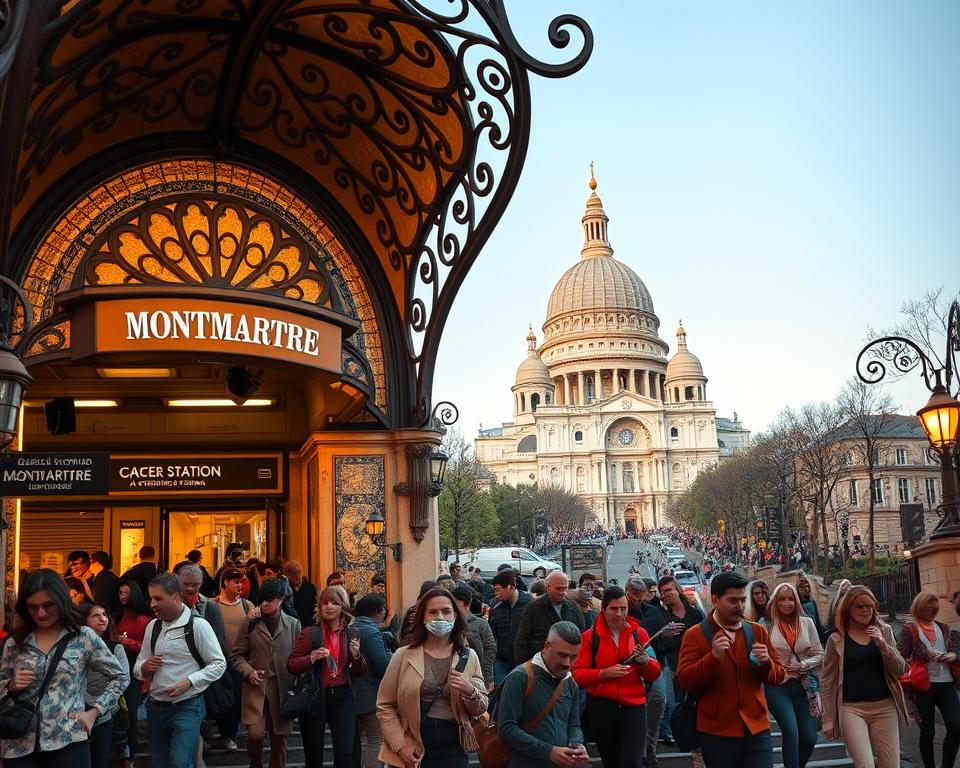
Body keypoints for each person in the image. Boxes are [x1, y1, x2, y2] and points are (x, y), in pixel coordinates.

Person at [0, 569, 125, 767]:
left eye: (48, 605)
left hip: (68, 741)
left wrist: (94, 712)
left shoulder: (83, 637)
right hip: (18, 744)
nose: (41, 613)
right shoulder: (15, 642)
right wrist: (11, 685)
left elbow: (119, 677)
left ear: (61, 601)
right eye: (33, 607)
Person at [676, 571, 785, 768]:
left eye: (743, 600)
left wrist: (766, 662)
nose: (740, 606)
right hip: (716, 732)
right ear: (715, 600)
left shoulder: (757, 631)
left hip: (757, 729)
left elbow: (779, 676)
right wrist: (712, 658)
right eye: (733, 601)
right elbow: (684, 681)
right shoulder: (695, 635)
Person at [376, 587, 487, 768]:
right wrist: (400, 746)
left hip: (454, 745)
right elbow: (385, 705)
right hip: (413, 743)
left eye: (446, 611)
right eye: (433, 612)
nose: (440, 617)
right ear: (423, 617)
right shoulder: (403, 655)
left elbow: (481, 707)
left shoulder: (468, 656)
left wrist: (469, 690)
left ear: (455, 616)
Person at [134, 572, 227, 768]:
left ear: (176, 597)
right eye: (151, 598)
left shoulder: (198, 626)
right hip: (155, 708)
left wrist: (189, 681)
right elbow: (138, 665)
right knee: (160, 764)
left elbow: (219, 664)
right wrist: (144, 666)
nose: (152, 604)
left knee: (180, 762)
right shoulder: (153, 627)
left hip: (187, 707)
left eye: (158, 598)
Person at [572, 586, 661, 767]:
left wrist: (646, 662)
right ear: (603, 608)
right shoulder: (589, 638)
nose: (619, 613)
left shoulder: (639, 634)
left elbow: (654, 673)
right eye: (614, 608)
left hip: (634, 707)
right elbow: (577, 674)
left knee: (632, 762)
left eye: (623, 608)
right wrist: (603, 674)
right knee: (611, 761)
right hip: (602, 707)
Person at [821, 585, 907, 768]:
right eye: (859, 606)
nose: (865, 610)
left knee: (891, 764)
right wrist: (828, 718)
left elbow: (900, 670)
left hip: (885, 707)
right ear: (848, 608)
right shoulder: (836, 639)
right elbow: (828, 680)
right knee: (865, 764)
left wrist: (883, 645)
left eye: (869, 606)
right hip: (851, 708)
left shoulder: (884, 631)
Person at [287, 586, 366, 768]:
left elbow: (360, 671)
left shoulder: (352, 633)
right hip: (315, 696)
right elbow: (291, 665)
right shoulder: (310, 633)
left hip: (342, 695)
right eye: (325, 603)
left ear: (342, 607)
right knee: (314, 754)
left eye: (334, 603)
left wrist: (357, 657)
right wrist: (311, 657)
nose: (329, 606)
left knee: (345, 752)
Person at [230, 576, 301, 768]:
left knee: (280, 740)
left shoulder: (293, 624)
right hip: (256, 689)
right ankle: (256, 763)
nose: (264, 604)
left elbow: (298, 657)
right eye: (262, 600)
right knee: (255, 735)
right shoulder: (251, 622)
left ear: (281, 599)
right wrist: (248, 671)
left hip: (282, 691)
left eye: (269, 600)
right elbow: (236, 655)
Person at [497, 621, 586, 768]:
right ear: (546, 646)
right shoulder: (520, 677)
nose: (567, 663)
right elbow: (507, 729)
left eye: (573, 657)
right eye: (562, 655)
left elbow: (574, 724)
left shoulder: (570, 683)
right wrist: (549, 752)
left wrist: (576, 745)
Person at [763, 583, 823, 768]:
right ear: (775, 602)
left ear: (796, 601)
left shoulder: (807, 623)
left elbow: (820, 654)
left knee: (809, 737)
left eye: (791, 599)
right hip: (777, 686)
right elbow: (760, 657)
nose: (787, 603)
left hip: (805, 685)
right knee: (791, 731)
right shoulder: (766, 625)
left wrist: (802, 665)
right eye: (782, 599)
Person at [897, 591, 960, 768]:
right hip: (923, 686)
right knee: (928, 731)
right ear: (919, 607)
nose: (933, 610)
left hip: (947, 683)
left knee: (956, 727)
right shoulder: (910, 629)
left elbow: (956, 651)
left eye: (935, 608)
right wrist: (923, 656)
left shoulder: (944, 628)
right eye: (929, 607)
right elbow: (900, 658)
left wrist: (952, 656)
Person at [653, 576, 705, 764]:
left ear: (677, 590)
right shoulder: (659, 616)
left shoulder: (695, 613)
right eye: (662, 592)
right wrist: (662, 635)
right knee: (678, 706)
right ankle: (688, 744)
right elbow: (655, 643)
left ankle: (700, 746)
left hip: (697, 665)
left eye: (669, 590)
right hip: (673, 666)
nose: (666, 594)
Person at [77, 601, 131, 768]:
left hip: (104, 713)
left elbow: (124, 678)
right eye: (96, 615)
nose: (103, 619)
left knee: (100, 760)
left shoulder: (115, 648)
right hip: (77, 712)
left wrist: (98, 706)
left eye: (105, 615)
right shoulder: (74, 647)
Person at [352, 594, 393, 768]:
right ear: (377, 611)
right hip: (370, 695)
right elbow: (383, 666)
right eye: (383, 609)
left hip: (352, 694)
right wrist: (390, 654)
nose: (385, 612)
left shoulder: (351, 629)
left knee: (358, 742)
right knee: (376, 741)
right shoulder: (372, 632)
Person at [214, 566, 252, 751]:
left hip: (240, 661)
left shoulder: (247, 605)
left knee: (236, 699)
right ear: (225, 582)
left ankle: (230, 734)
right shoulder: (214, 605)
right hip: (219, 660)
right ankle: (222, 731)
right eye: (236, 582)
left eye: (241, 582)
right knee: (222, 699)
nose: (240, 585)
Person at [115, 579, 152, 768]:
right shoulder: (116, 615)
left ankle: (130, 752)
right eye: (120, 592)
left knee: (130, 712)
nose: (123, 596)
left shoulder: (143, 619)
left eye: (126, 592)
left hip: (135, 670)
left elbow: (148, 648)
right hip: (116, 670)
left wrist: (127, 642)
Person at [515, 571, 585, 665]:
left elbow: (582, 634)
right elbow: (522, 640)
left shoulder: (572, 607)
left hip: (569, 663)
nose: (562, 592)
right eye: (558, 589)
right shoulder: (533, 608)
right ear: (548, 587)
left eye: (565, 588)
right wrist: (525, 667)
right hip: (541, 664)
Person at [489, 569, 533, 685]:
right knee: (501, 688)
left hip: (525, 661)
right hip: (502, 660)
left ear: (511, 586)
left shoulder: (530, 605)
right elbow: (492, 635)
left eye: (498, 590)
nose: (496, 593)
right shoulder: (495, 606)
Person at [452, 585, 497, 691]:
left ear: (467, 605)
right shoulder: (448, 624)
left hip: (474, 676)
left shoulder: (480, 624)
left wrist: (488, 677)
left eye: (456, 605)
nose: (453, 609)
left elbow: (490, 650)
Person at [796, 574, 829, 642]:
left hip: (815, 631)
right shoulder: (797, 604)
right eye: (803, 587)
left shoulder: (812, 602)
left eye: (807, 586)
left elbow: (817, 622)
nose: (806, 589)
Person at [283, 560, 317, 627]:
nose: (298, 576)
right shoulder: (285, 589)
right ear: (288, 576)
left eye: (299, 573)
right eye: (294, 575)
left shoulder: (310, 587)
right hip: (290, 625)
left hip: (309, 624)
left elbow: (314, 607)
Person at [90, 550, 122, 618]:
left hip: (109, 615)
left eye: (90, 563)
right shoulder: (105, 575)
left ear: (97, 563)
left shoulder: (104, 578)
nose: (89, 566)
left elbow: (101, 600)